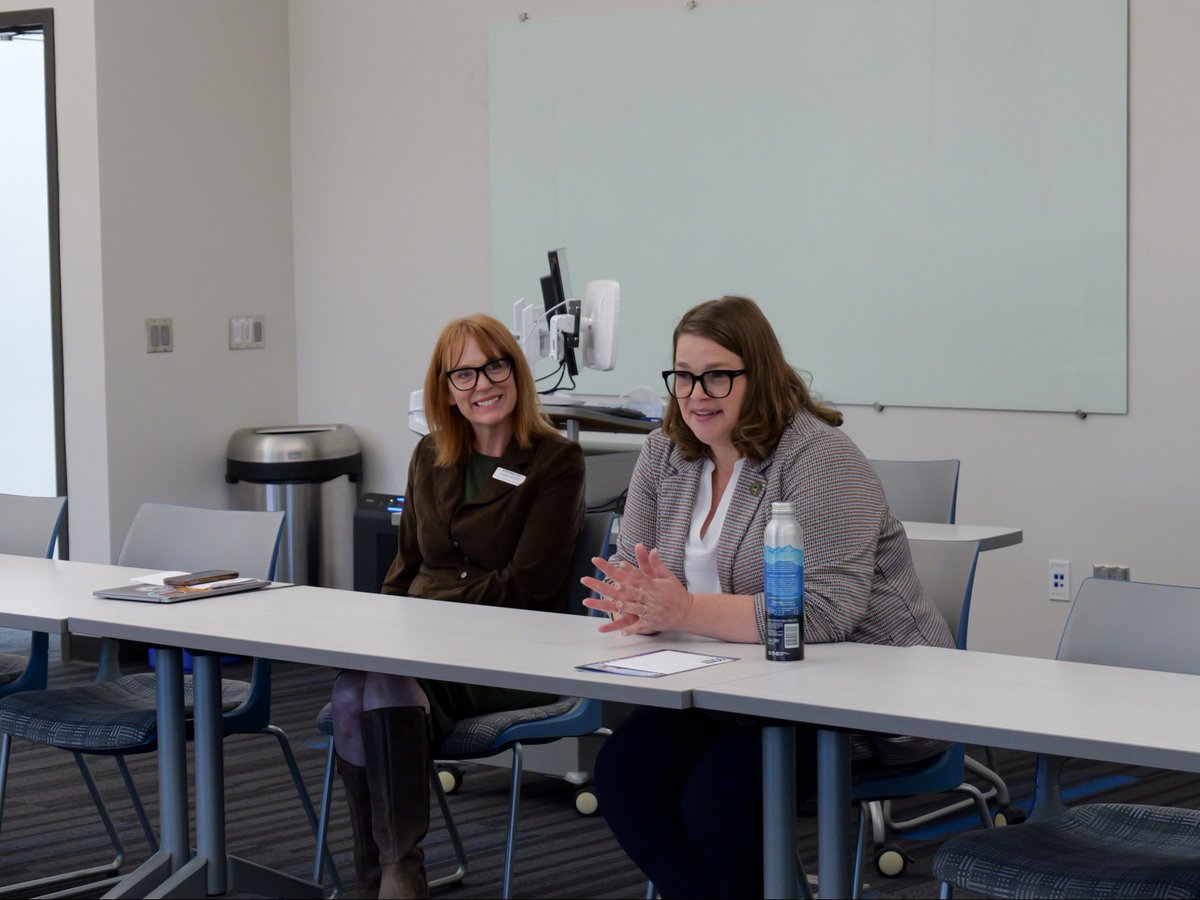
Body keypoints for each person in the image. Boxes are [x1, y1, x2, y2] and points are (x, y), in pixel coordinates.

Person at [580, 295, 954, 899]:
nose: (697, 392)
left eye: (718, 375)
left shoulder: (818, 457)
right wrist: (633, 601)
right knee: (625, 775)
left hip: (849, 694)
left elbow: (828, 611)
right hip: (732, 686)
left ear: (761, 374)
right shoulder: (663, 454)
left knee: (717, 799)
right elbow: (637, 569)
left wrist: (681, 610)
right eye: (683, 376)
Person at [331, 314, 585, 898]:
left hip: (514, 652)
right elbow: (406, 569)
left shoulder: (553, 461)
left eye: (494, 366)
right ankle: (388, 871)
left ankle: (394, 874)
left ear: (516, 373)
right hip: (423, 648)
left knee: (377, 683)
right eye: (463, 373)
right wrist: (384, 625)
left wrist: (427, 606)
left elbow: (528, 584)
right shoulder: (430, 456)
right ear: (445, 389)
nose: (481, 384)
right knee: (353, 684)